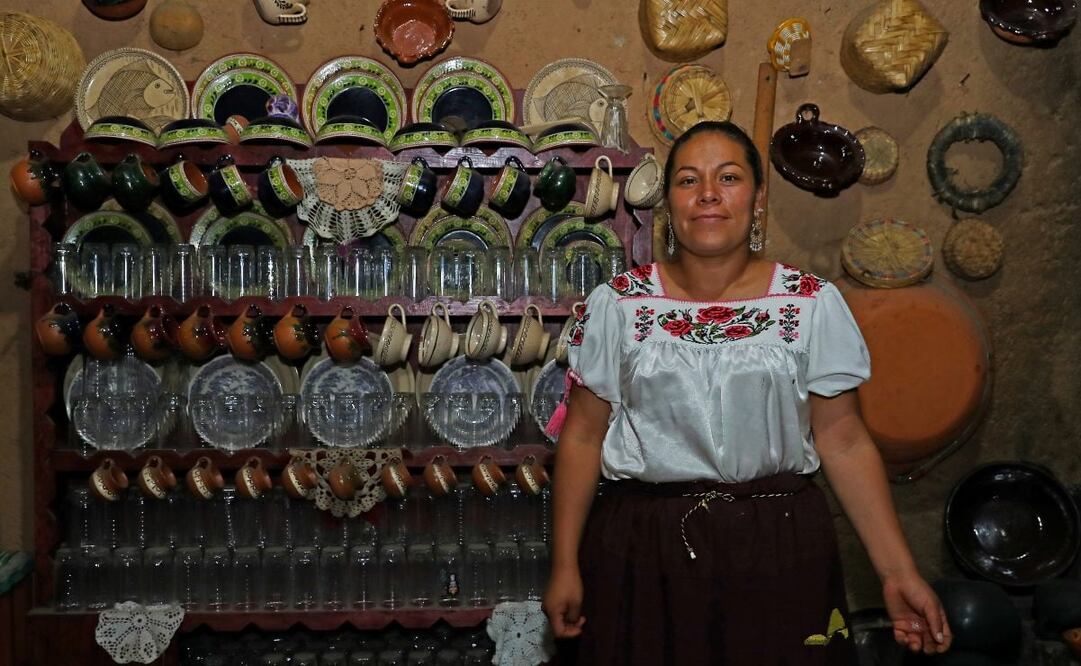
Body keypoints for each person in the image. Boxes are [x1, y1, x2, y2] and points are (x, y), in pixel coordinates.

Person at [542, 120, 953, 665]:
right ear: (669, 201)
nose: (708, 194)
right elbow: (582, 438)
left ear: (758, 199)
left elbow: (844, 441)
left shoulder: (809, 304)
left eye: (728, 177)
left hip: (779, 546)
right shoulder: (619, 305)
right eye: (688, 180)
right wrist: (565, 563)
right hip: (644, 549)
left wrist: (898, 572)